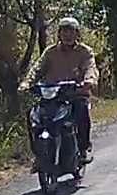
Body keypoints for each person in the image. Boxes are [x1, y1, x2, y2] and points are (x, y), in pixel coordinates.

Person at [20, 16, 99, 162]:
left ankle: (83, 148)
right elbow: (37, 69)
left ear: (77, 34)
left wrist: (88, 81)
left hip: (75, 94)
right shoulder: (50, 52)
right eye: (64, 31)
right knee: (33, 115)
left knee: (81, 110)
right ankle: (38, 154)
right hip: (52, 95)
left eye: (71, 31)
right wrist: (27, 83)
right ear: (59, 34)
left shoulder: (85, 51)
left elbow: (91, 68)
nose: (67, 35)